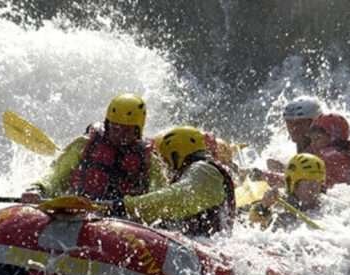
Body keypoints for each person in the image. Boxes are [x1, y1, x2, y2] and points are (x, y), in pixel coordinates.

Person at [21, 94, 168, 204]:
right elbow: (54, 173)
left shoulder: (148, 158)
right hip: (78, 209)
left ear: (138, 131)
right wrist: (37, 189)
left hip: (121, 221)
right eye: (115, 128)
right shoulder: (85, 144)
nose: (119, 135)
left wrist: (132, 207)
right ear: (107, 123)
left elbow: (160, 195)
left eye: (126, 131)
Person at [115, 126, 237, 236]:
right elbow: (162, 203)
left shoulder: (204, 169)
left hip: (206, 251)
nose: (168, 169)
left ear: (175, 154)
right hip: (200, 246)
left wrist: (126, 206)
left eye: (166, 161)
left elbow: (176, 197)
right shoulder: (199, 171)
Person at [249, 153, 326, 230]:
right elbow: (254, 227)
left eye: (317, 183)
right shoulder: (279, 202)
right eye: (308, 183)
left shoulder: (325, 204)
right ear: (294, 184)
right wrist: (264, 206)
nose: (314, 188)